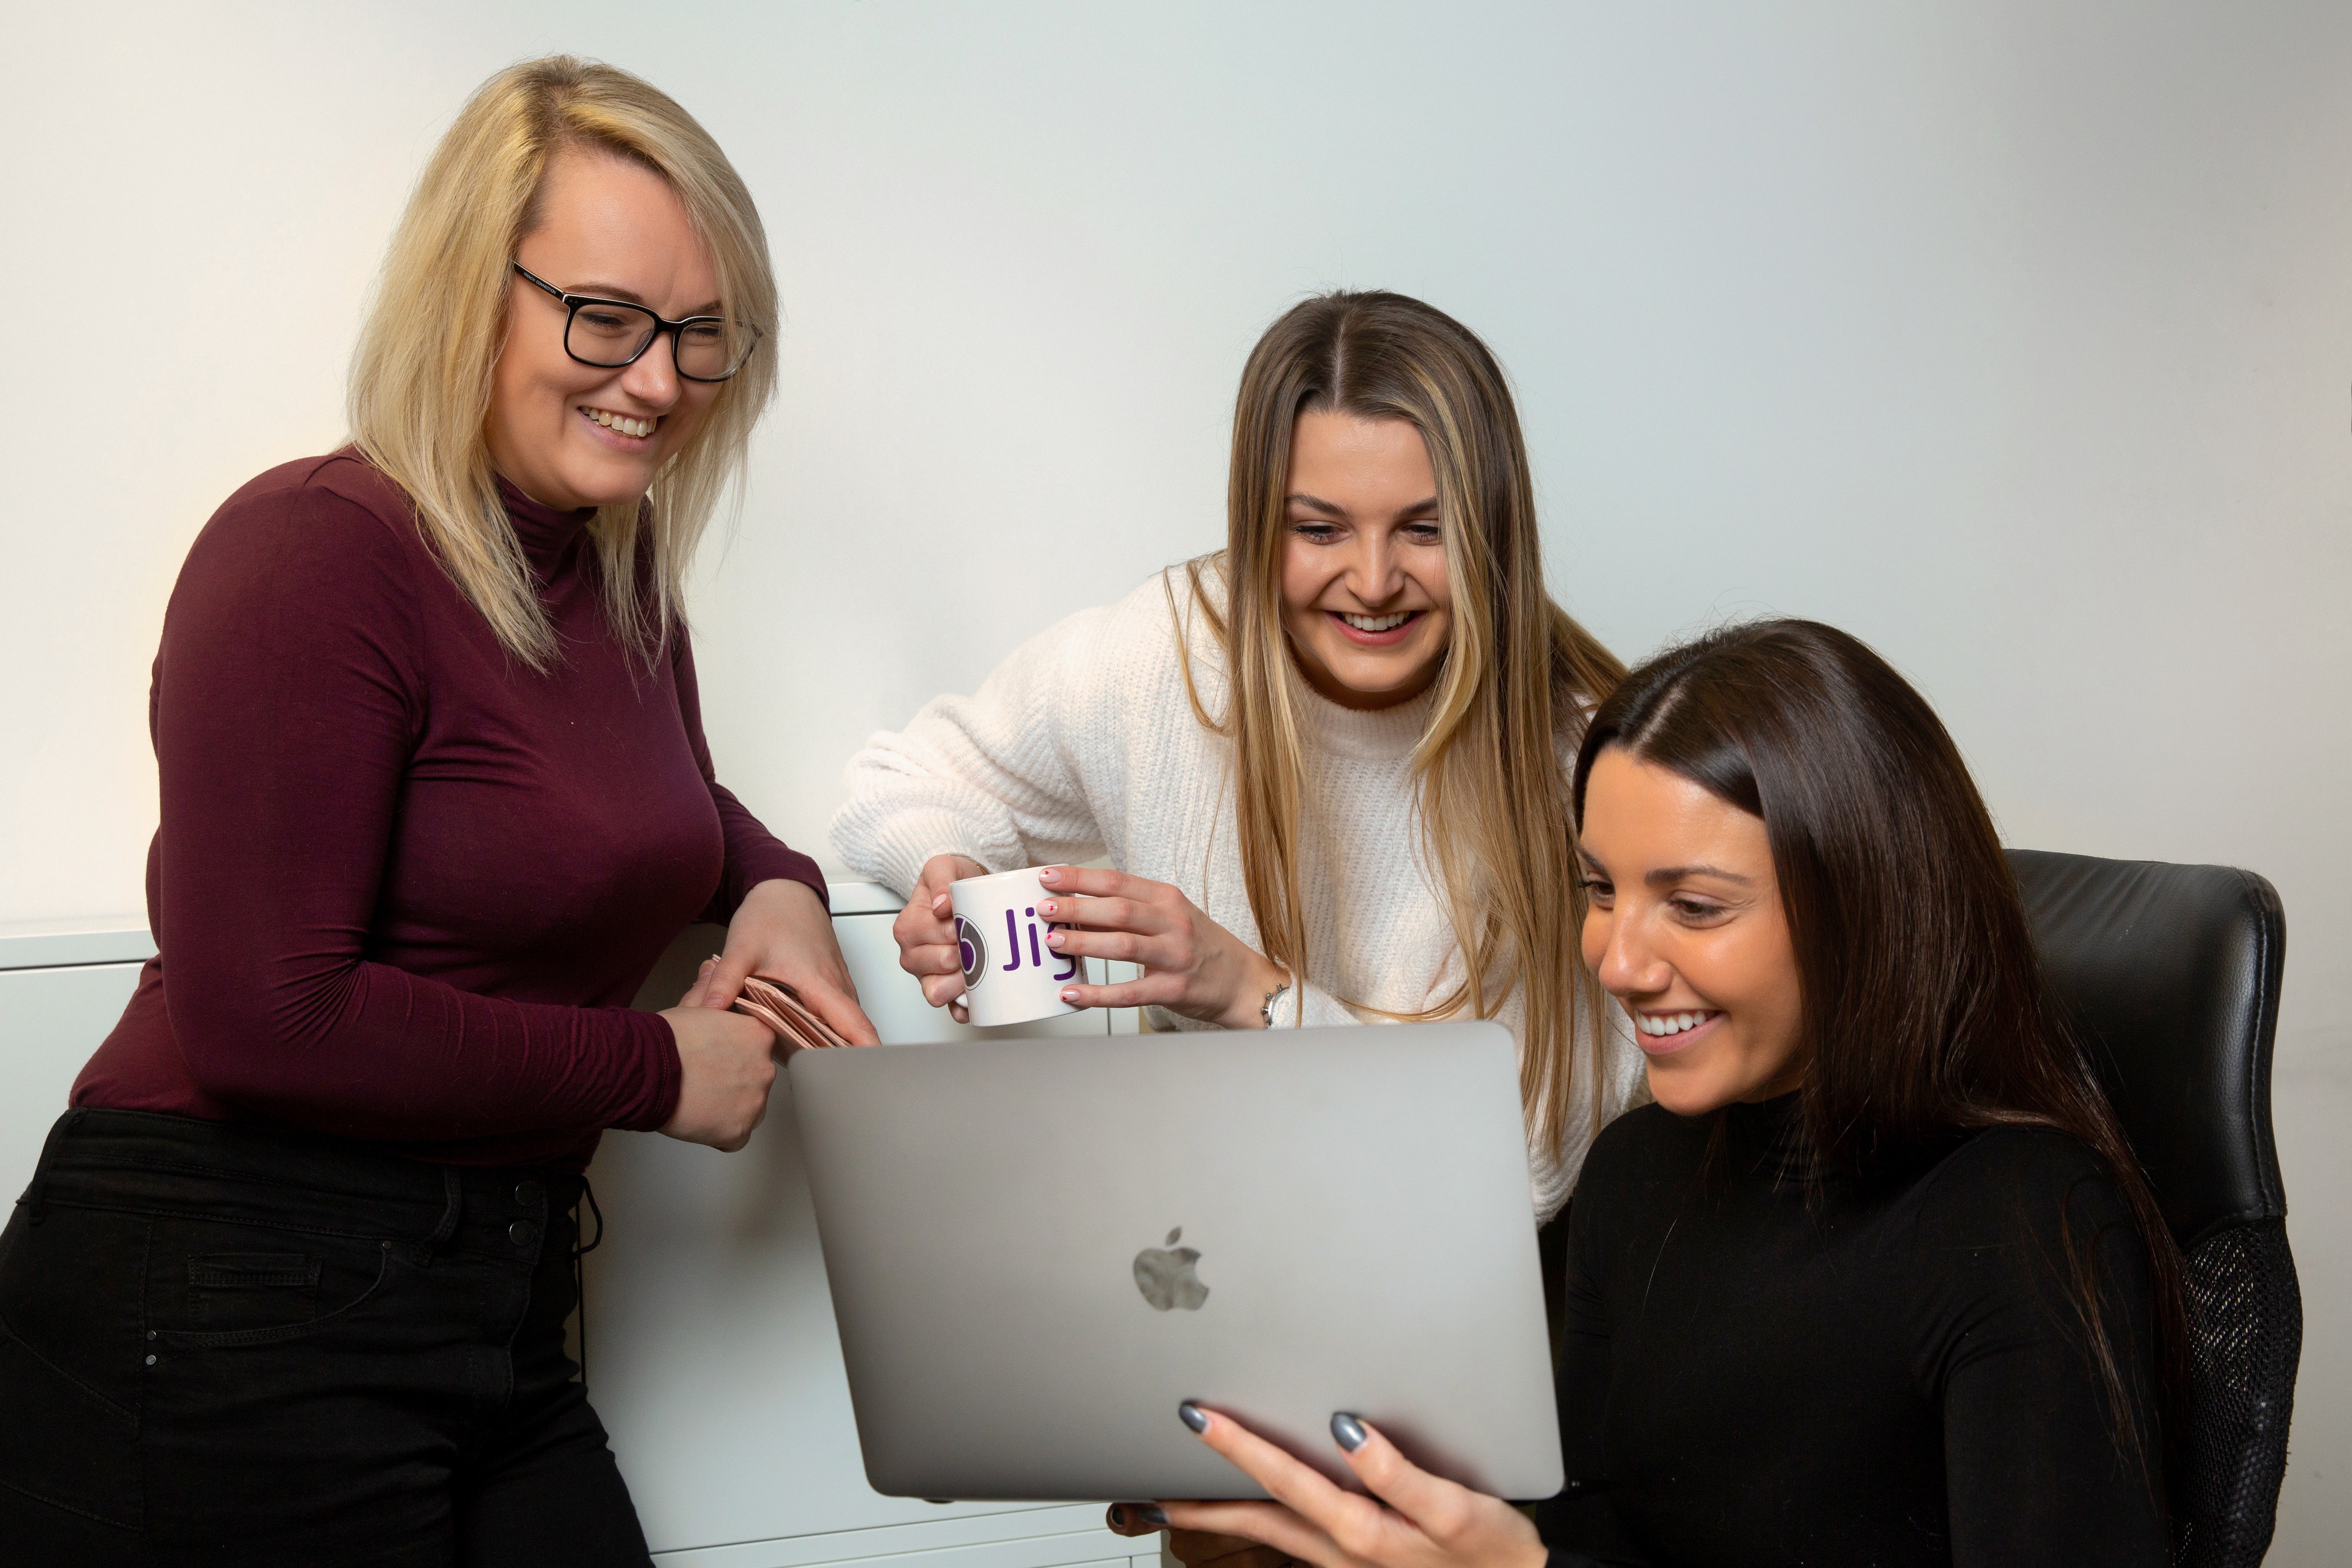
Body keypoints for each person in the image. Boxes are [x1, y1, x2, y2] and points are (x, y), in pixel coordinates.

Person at [0, 57, 876, 1566]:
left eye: (700, 335)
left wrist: (776, 883)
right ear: (474, 290)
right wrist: (656, 1067)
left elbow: (622, 801)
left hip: (492, 1301)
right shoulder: (312, 555)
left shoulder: (613, 565)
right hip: (224, 1294)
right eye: (605, 317)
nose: (657, 378)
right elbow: (267, 1017)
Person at [1113, 619, 2184, 1568]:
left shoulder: (2023, 1223)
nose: (1617, 959)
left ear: (1866, 907)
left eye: (1696, 905)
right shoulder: (1634, 1176)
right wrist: (1346, 1511)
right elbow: (1592, 1535)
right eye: (1600, 889)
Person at [831, 290, 1642, 1220]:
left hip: (1452, 1279)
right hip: (1198, 1253)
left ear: (1492, 528)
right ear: (1260, 522)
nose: (1374, 581)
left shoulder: (1583, 754)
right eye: (1320, 528)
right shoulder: (1164, 654)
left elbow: (1529, 1166)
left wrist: (1250, 993)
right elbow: (901, 780)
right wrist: (953, 881)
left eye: (1426, 529)